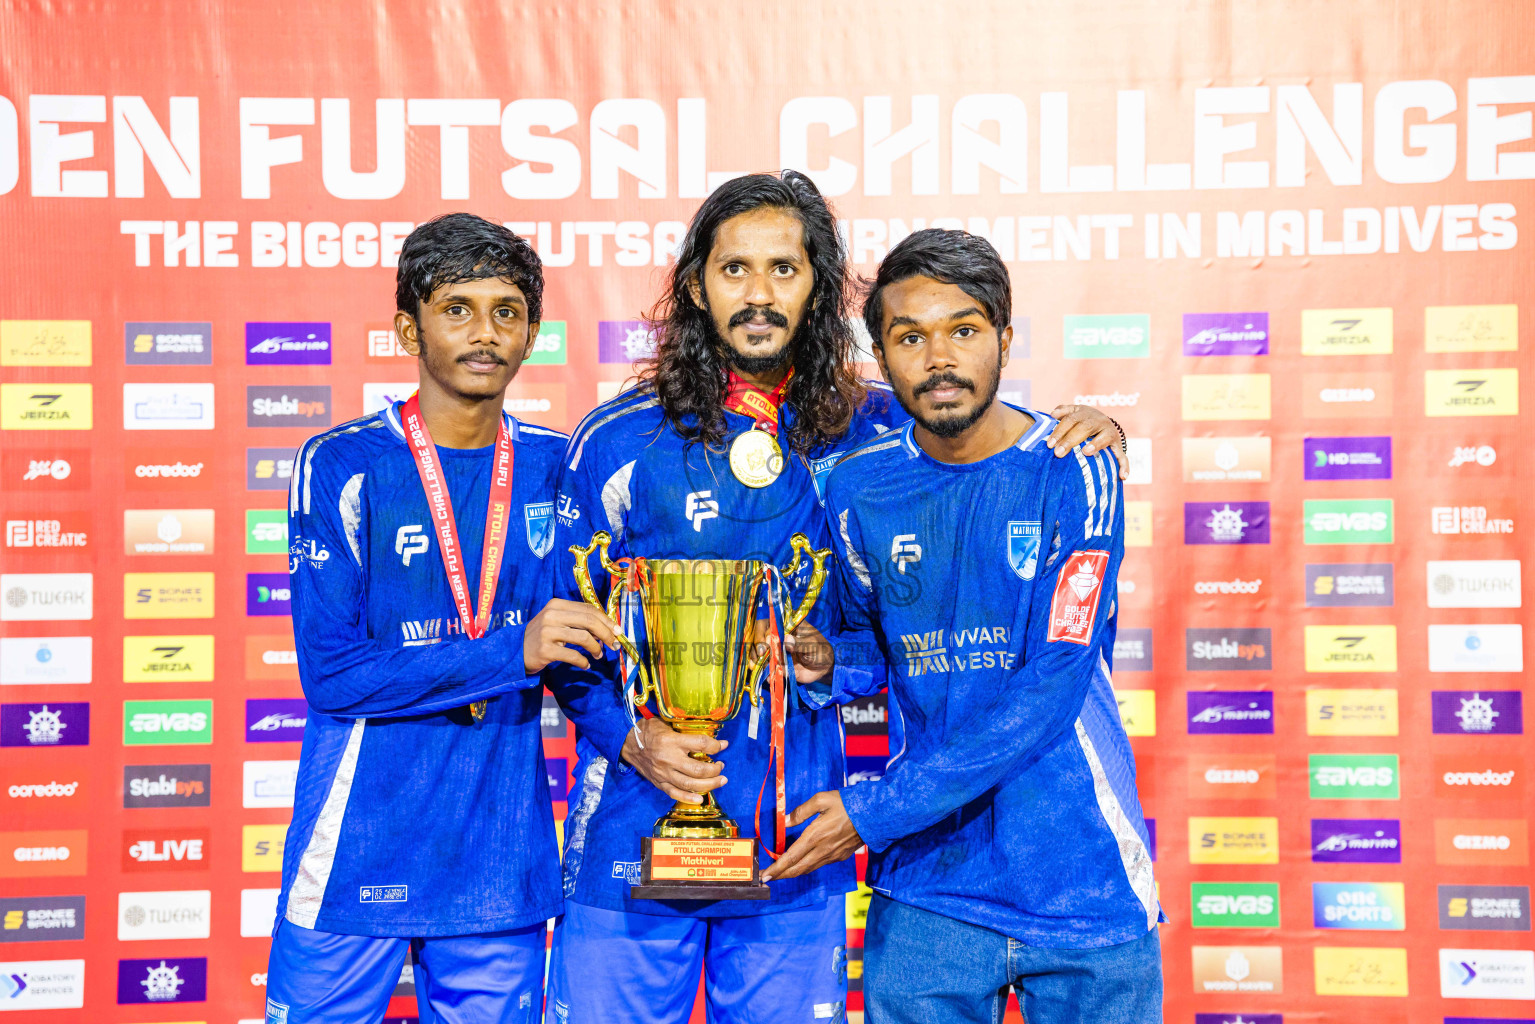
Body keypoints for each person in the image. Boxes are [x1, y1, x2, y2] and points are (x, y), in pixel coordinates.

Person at [543, 172, 1130, 1024]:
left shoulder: (881, 430)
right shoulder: (615, 439)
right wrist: (634, 741)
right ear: (696, 285)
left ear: (818, 282)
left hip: (798, 836)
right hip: (635, 830)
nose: (758, 293)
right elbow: (568, 636)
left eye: (783, 268)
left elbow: (988, 436)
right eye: (734, 269)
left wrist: (1086, 432)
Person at [766, 228, 1161, 1024]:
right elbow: (863, 648)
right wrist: (819, 661)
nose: (938, 357)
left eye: (964, 330)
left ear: (1004, 339)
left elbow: (1054, 680)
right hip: (929, 887)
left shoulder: (1073, 466)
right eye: (909, 337)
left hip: (1080, 876)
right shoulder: (854, 487)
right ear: (879, 353)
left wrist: (873, 812)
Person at [266, 213, 623, 1024]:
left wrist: (645, 745)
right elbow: (333, 677)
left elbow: (574, 661)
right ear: (407, 328)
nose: (484, 331)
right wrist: (513, 651)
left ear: (532, 332)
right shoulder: (344, 463)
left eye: (506, 311)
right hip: (356, 845)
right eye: (456, 308)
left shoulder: (555, 464)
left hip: (497, 858)